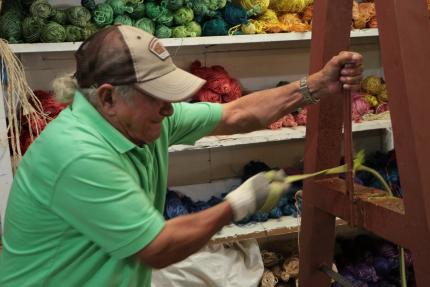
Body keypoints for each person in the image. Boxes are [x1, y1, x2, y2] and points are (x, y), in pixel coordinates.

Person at [0, 24, 363, 286]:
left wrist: (315, 85)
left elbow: (235, 115)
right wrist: (238, 204)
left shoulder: (143, 123)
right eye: (157, 96)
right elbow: (158, 247)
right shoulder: (79, 155)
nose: (170, 109)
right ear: (108, 97)